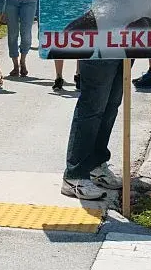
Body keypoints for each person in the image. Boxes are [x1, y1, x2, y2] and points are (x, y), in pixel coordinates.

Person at [61, 59, 125, 200]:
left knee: (111, 104)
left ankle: (96, 166)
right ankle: (74, 175)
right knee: (93, 105)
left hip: (126, 44)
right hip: (99, 46)